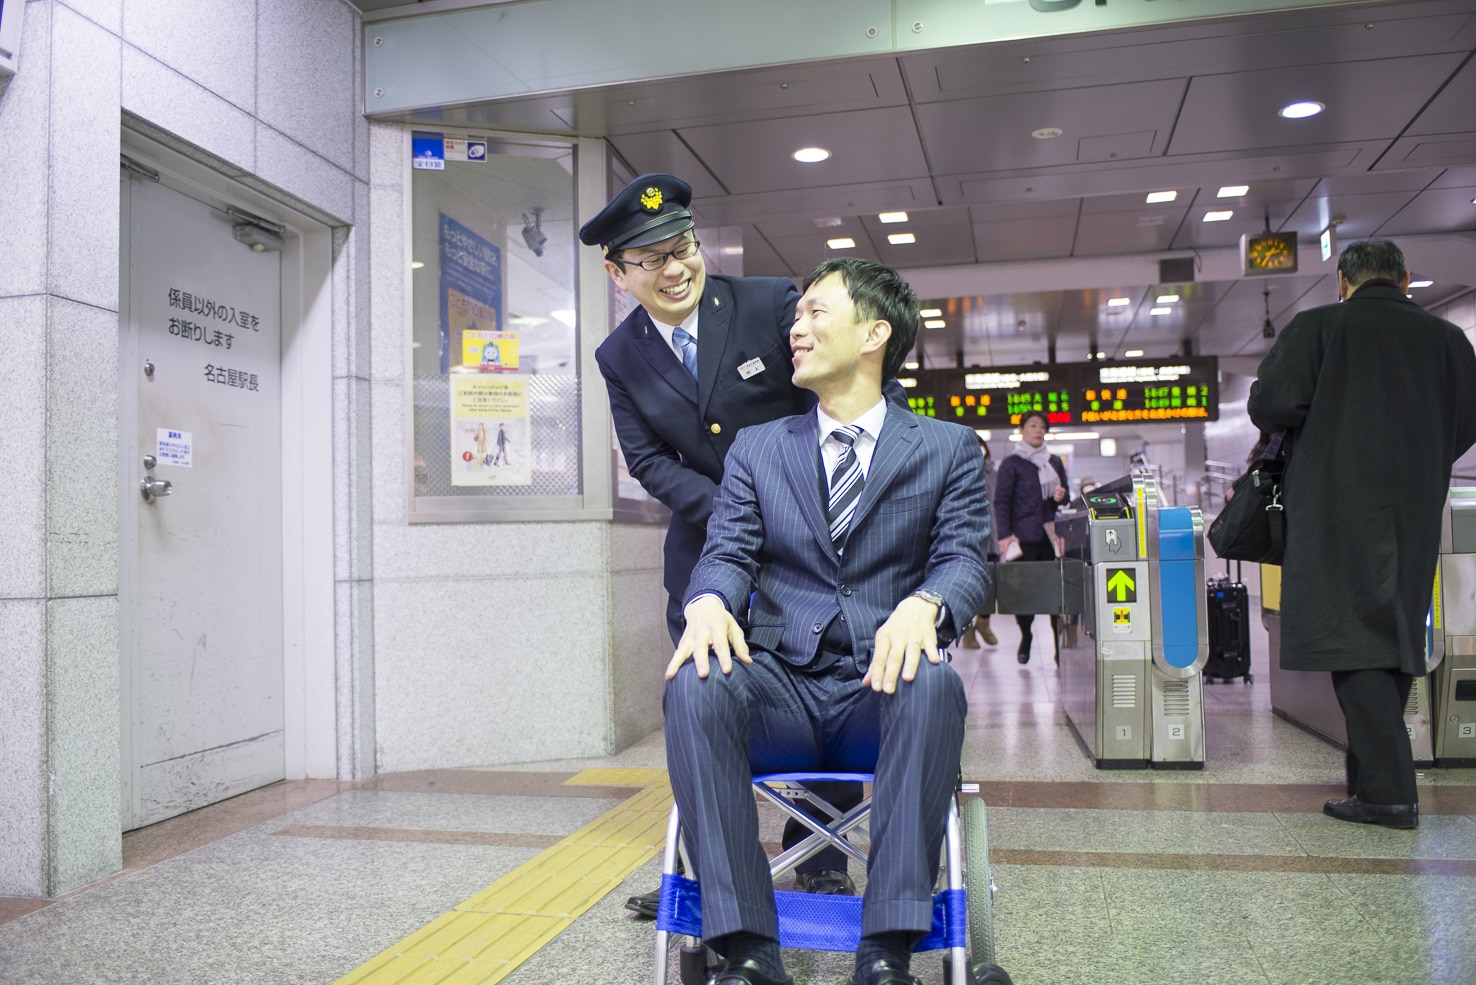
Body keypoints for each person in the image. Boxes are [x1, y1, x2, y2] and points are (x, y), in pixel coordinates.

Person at [665, 257, 991, 985]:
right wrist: (708, 600)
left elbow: (966, 560)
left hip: (881, 688)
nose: (796, 327)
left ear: (874, 333)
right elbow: (727, 552)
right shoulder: (758, 448)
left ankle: (887, 949)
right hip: (779, 688)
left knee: (934, 682)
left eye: (816, 311)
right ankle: (747, 948)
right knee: (696, 682)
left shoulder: (946, 448)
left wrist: (927, 603)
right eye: (797, 315)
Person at [580, 174, 857, 914]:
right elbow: (648, 460)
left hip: (811, 549)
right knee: (697, 708)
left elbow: (836, 397)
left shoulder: (768, 304)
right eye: (651, 259)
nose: (675, 269)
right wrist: (736, 508)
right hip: (704, 558)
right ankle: (707, 873)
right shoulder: (619, 355)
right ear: (617, 273)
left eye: (683, 248)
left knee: (826, 695)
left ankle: (823, 857)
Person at [1248, 239, 1476, 830]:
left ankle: (1390, 794)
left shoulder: (1318, 328)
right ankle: (1369, 780)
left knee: (1349, 638)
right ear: (1405, 280)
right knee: (1395, 631)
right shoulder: (1448, 339)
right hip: (1415, 510)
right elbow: (1466, 421)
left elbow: (1269, 405)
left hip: (1334, 505)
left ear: (1342, 283)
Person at [992, 410, 1068, 664]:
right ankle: (1026, 636)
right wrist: (1005, 535)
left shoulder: (1054, 462)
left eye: (1042, 427)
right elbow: (1002, 501)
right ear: (1022, 430)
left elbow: (1065, 497)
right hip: (1022, 538)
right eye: (1033, 425)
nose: (1039, 430)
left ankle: (1058, 648)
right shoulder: (1012, 464)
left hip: (1050, 536)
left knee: (1056, 593)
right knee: (1023, 594)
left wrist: (1061, 496)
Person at [959, 435, 998, 648]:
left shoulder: (994, 473)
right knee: (968, 585)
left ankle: (983, 622)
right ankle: (967, 630)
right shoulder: (958, 470)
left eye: (981, 445)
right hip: (968, 536)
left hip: (992, 536)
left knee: (991, 583)